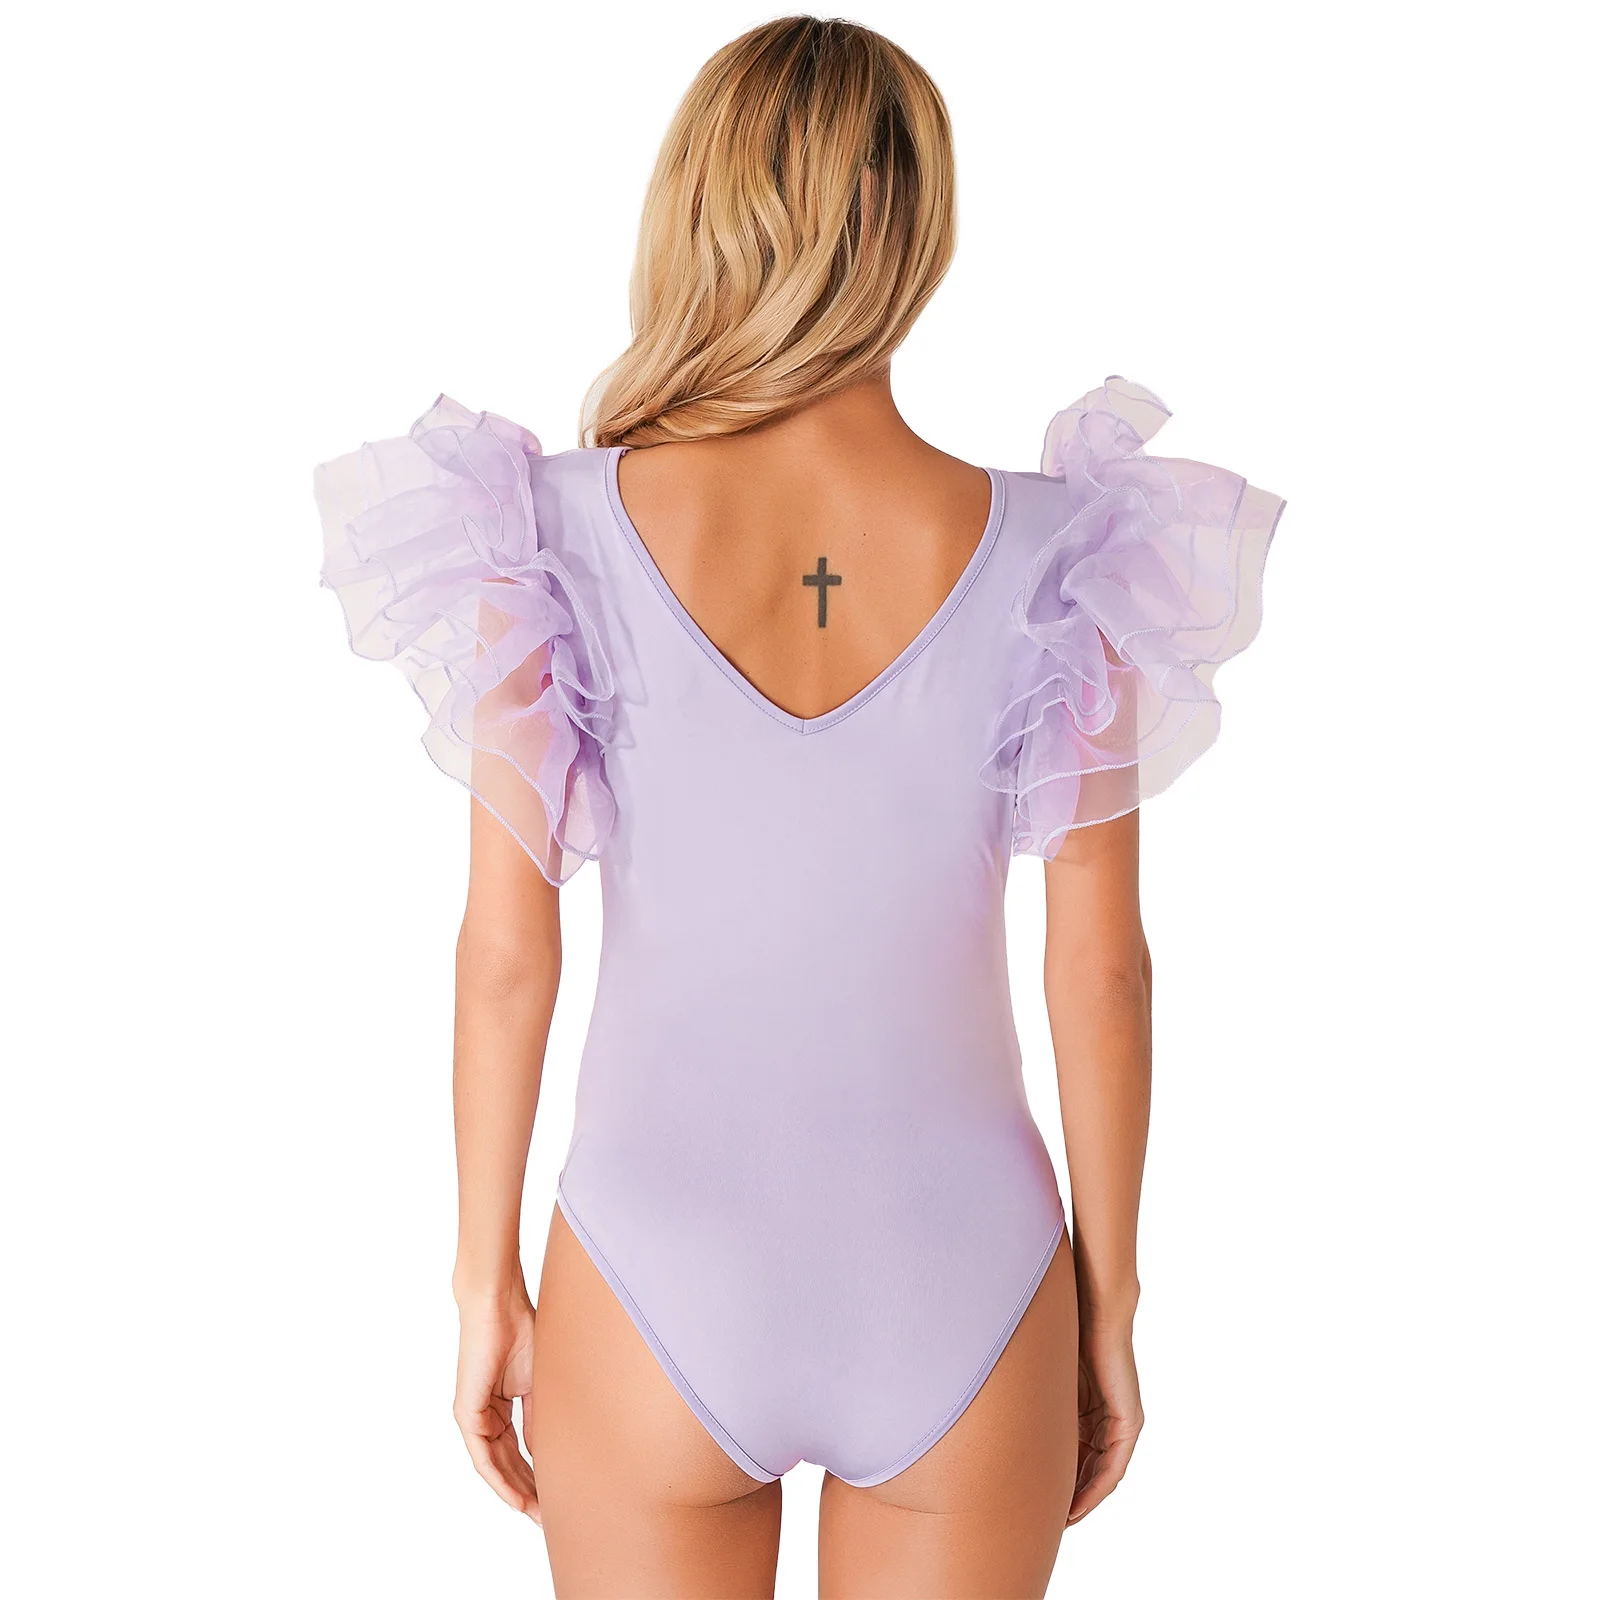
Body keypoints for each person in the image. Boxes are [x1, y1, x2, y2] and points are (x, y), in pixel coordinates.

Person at [314, 16, 1283, 1597]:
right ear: (921, 232)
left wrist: (482, 1277)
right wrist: (1109, 1303)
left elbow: (504, 956)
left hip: (655, 1262)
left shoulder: (539, 532)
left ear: (694, 206)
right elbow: (1099, 970)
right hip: (967, 1276)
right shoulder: (1069, 550)